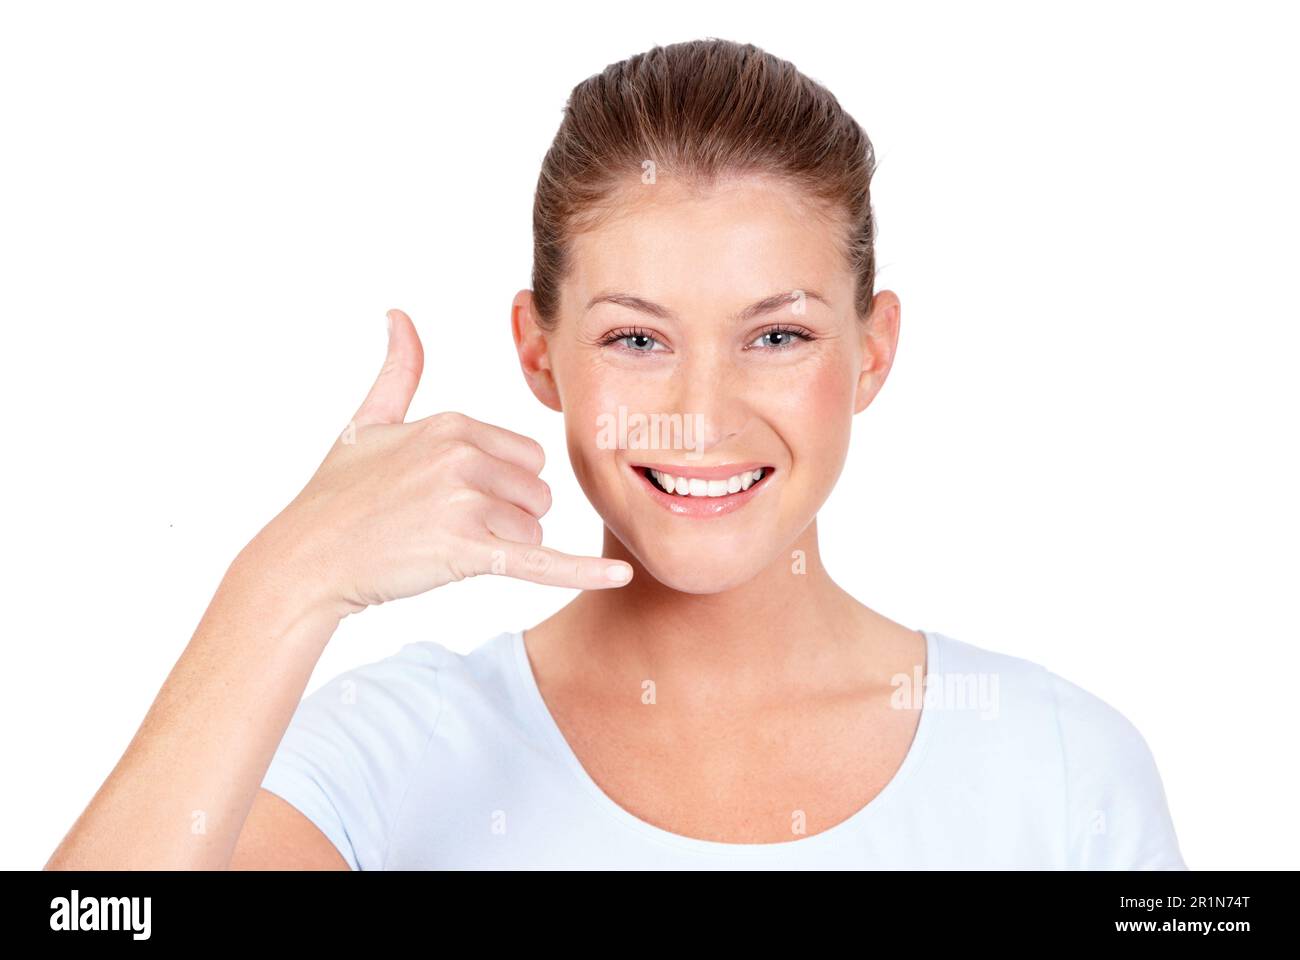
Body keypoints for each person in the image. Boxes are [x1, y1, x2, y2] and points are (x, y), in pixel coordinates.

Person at [44, 38, 1185, 870]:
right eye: (636, 338)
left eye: (776, 336)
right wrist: (283, 581)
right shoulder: (385, 760)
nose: (700, 412)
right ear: (539, 355)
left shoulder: (1061, 770)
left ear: (873, 351)